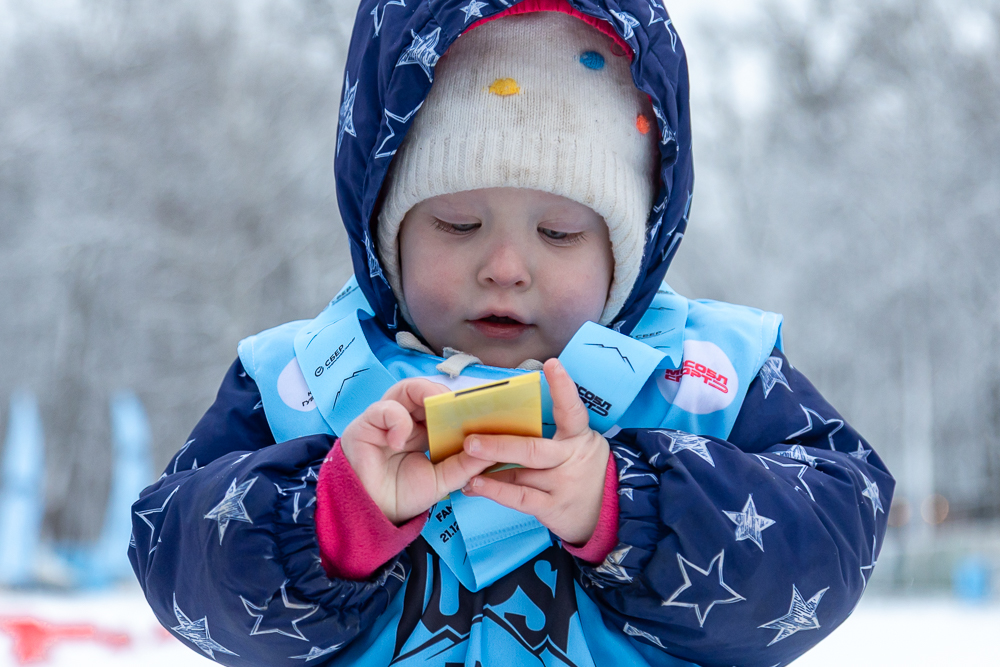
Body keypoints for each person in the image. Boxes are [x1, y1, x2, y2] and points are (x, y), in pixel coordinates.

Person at [129, 0, 894, 665]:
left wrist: (624, 504)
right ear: (385, 229)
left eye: (558, 232)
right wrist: (334, 515)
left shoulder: (707, 377)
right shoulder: (297, 380)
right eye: (457, 223)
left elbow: (832, 534)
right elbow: (176, 561)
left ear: (627, 251)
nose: (503, 266)